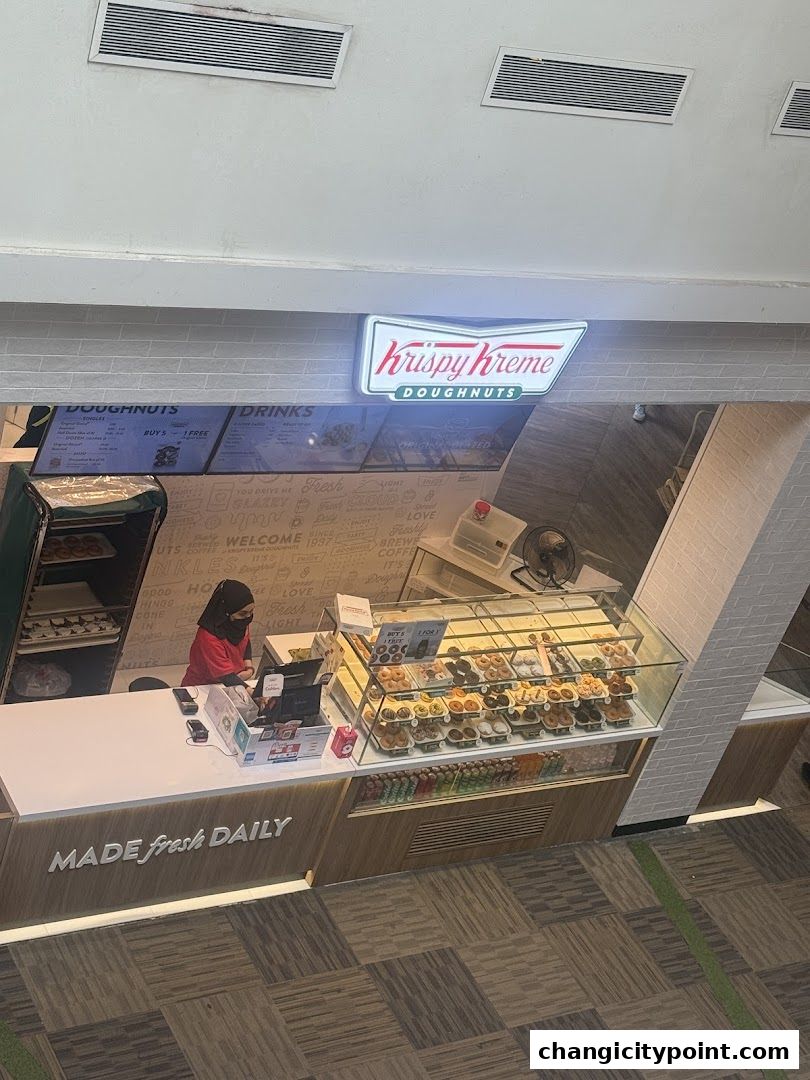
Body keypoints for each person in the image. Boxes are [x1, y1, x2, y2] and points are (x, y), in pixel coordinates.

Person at [182, 580, 255, 687]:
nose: (248, 617)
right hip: (202, 687)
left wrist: (249, 668)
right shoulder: (208, 637)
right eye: (242, 614)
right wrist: (252, 692)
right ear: (226, 611)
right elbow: (226, 677)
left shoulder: (240, 623)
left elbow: (245, 642)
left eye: (251, 611)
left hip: (234, 681)